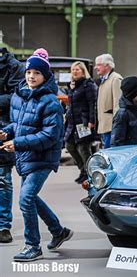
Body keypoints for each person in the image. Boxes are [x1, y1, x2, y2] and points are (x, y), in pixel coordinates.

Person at [0, 52, 72, 262]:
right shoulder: (21, 95)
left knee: (26, 198)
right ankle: (59, 231)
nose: (31, 76)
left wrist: (17, 143)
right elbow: (21, 124)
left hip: (42, 158)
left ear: (45, 76)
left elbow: (50, 135)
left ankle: (33, 246)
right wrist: (8, 131)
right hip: (26, 157)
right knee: (31, 198)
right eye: (29, 72)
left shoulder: (50, 102)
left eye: (37, 73)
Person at [0, 48, 25, 243]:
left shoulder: (14, 67)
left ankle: (3, 225)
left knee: (3, 179)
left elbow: (16, 97)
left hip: (3, 129)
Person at [64, 61, 98, 183]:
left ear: (83, 71)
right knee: (69, 145)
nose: (75, 71)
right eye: (73, 69)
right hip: (72, 122)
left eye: (78, 69)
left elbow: (92, 104)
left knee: (83, 148)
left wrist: (91, 120)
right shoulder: (73, 86)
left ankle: (89, 173)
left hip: (83, 122)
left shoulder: (88, 85)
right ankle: (83, 169)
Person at [95, 54, 122, 148]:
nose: (96, 67)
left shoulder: (116, 79)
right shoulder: (104, 80)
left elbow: (118, 104)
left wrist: (116, 125)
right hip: (104, 126)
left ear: (107, 65)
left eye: (98, 65)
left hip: (111, 127)